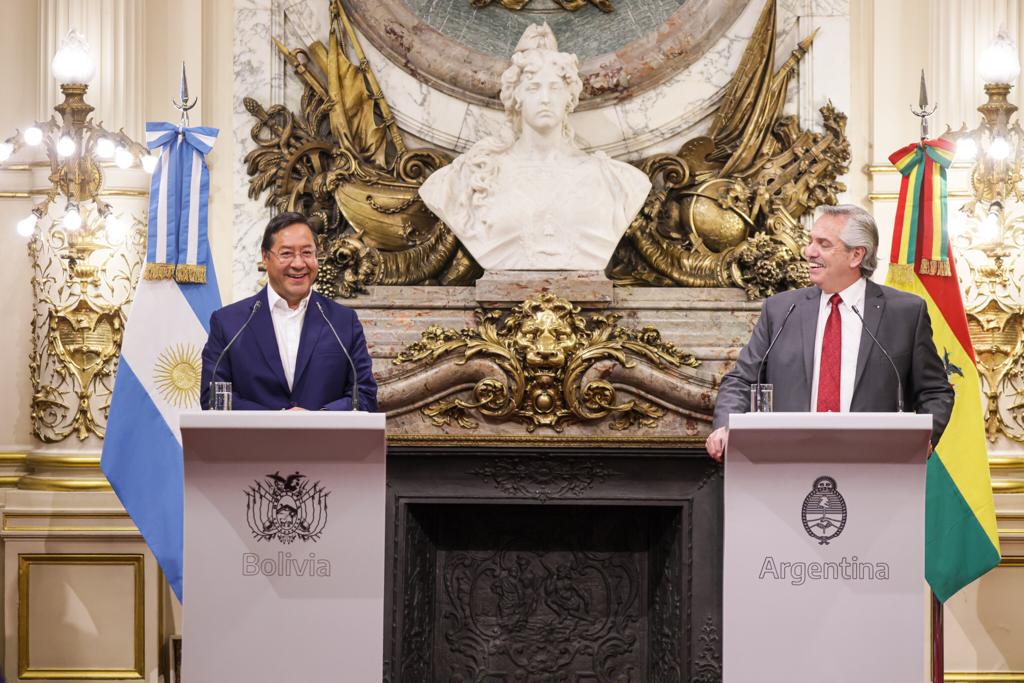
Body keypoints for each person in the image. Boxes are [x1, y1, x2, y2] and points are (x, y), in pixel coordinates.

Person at [705, 204, 953, 461]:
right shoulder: (780, 309)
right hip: (785, 466)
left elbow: (935, 391)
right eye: (811, 241)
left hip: (874, 469)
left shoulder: (905, 313)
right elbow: (741, 380)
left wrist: (924, 436)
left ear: (856, 255)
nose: (809, 251)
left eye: (823, 244)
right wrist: (725, 427)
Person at [418, 23, 650, 271]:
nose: (545, 99)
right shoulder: (470, 176)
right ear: (516, 97)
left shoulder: (616, 180)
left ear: (570, 97)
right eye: (533, 87)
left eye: (555, 87)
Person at [200, 212, 377, 411]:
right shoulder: (230, 323)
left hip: (323, 441)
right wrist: (278, 421)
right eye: (286, 253)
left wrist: (319, 419)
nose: (299, 263)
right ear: (265, 257)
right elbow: (213, 397)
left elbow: (364, 396)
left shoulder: (342, 321)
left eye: (307, 253)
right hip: (254, 441)